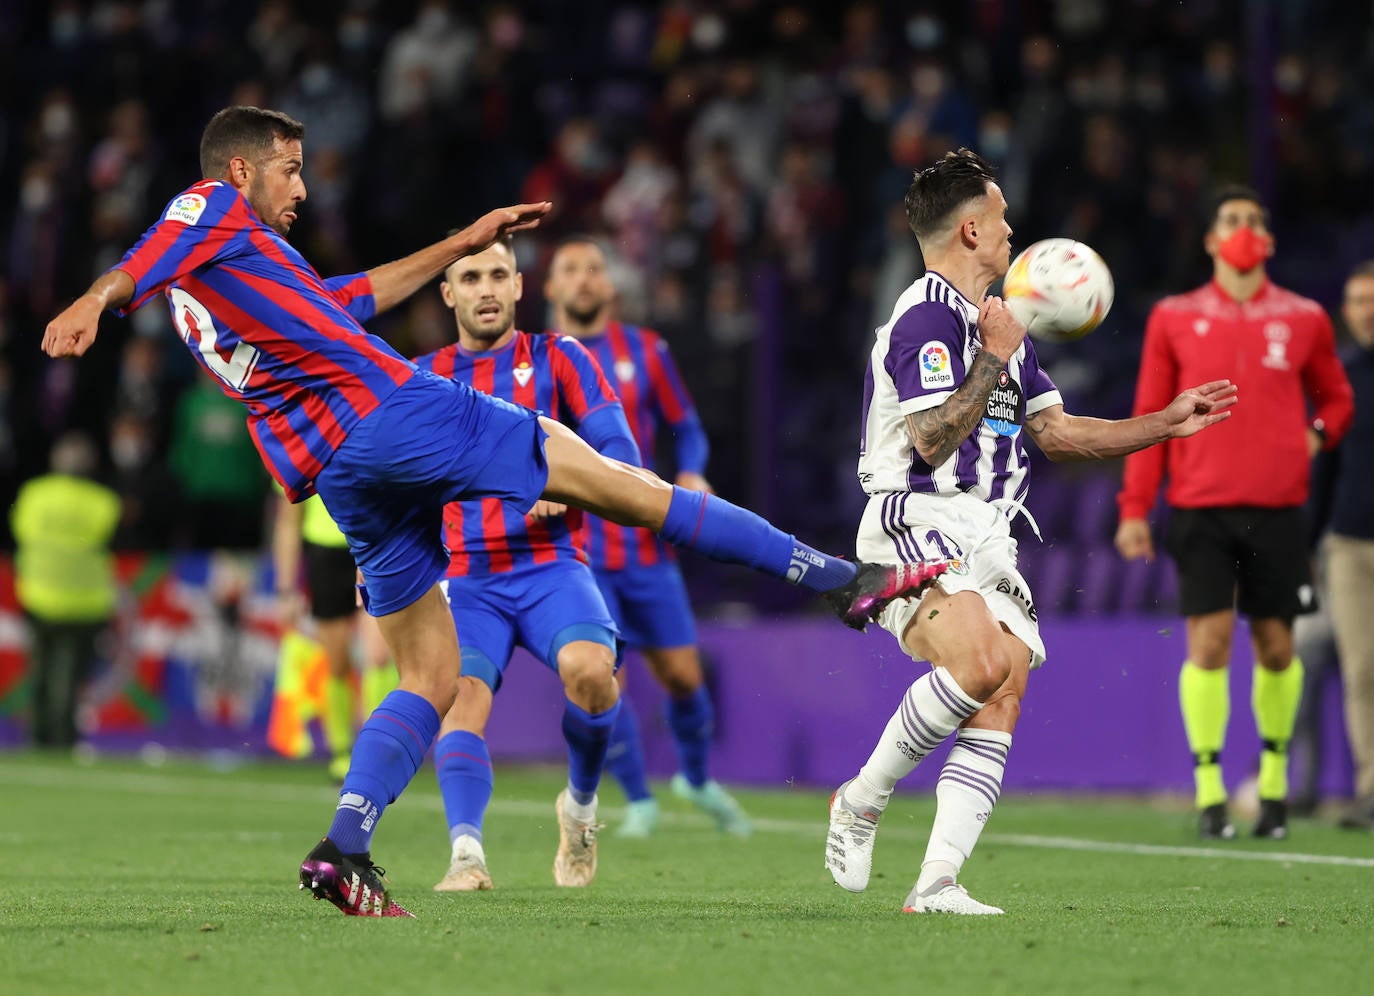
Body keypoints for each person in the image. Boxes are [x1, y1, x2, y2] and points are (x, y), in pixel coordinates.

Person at [42, 106, 945, 918]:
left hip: (340, 473)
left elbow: (354, 299)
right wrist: (94, 299)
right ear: (240, 170)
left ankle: (345, 848)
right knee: (624, 488)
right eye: (290, 167)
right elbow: (149, 256)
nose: (302, 187)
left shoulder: (238, 284)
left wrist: (458, 239)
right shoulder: (209, 209)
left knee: (429, 675)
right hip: (395, 414)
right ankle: (842, 578)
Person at [823, 148, 1237, 915]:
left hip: (989, 536)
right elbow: (931, 441)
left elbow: (1059, 435)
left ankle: (937, 883)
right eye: (1003, 217)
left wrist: (1165, 425)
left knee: (1003, 691)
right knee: (979, 663)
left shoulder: (1005, 327)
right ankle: (860, 798)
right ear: (972, 230)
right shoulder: (929, 317)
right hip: (915, 518)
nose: (1014, 231)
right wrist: (993, 354)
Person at [1114, 184, 1354, 842]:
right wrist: (1135, 506)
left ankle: (1273, 788)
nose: (1244, 230)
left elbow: (1337, 400)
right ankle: (1212, 792)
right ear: (1213, 240)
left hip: (1278, 510)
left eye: (1254, 221)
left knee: (1278, 648)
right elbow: (1151, 418)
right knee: (1211, 645)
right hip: (1200, 508)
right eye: (1232, 220)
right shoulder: (1173, 316)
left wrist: (1316, 434)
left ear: (1268, 242)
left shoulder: (1305, 317)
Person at [417, 237, 637, 890]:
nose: (485, 288)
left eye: (498, 275)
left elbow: (618, 448)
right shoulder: (420, 379)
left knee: (593, 675)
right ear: (448, 293)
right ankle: (465, 856)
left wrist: (564, 480)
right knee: (459, 701)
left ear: (518, 286)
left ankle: (580, 806)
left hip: (550, 567)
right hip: (466, 578)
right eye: (470, 277)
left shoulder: (559, 359)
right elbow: (390, 481)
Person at [545, 237, 750, 838]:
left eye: (593, 269)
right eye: (569, 269)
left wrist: (691, 468)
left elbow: (685, 426)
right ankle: (638, 799)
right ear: (551, 288)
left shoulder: (647, 350)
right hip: (580, 550)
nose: (583, 280)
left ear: (610, 287)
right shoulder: (535, 360)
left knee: (684, 677)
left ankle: (694, 777)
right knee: (608, 676)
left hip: (646, 544)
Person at [1308, 261, 1374, 830]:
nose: (1368, 310)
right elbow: (1323, 471)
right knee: (1362, 671)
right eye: (1358, 301)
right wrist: (1309, 544)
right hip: (1350, 544)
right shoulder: (1340, 380)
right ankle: (1371, 790)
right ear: (1347, 312)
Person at [271, 489, 396, 781]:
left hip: (373, 546)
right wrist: (285, 589)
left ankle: (374, 753)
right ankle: (342, 752)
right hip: (325, 553)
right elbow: (288, 521)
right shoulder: (304, 451)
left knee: (378, 656)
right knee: (337, 662)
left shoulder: (369, 443)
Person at [11, 432, 122, 748]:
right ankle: (62, 738)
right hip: (84, 601)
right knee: (69, 676)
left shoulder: (34, 494)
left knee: (40, 671)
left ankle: (38, 735)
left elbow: (22, 532)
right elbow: (110, 539)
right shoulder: (104, 502)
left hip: (39, 594)